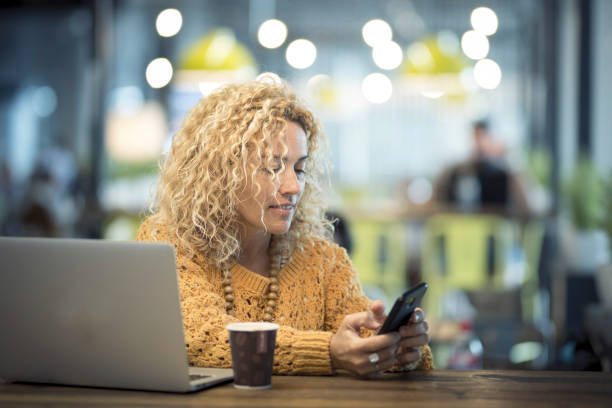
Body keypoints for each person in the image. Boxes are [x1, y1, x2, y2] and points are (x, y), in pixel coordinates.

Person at [137, 77, 433, 376]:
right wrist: (328, 352)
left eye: (300, 169)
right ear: (220, 171)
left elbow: (364, 342)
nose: (293, 186)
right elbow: (199, 338)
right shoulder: (167, 244)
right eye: (272, 167)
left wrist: (400, 348)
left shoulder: (324, 263)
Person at [435, 120, 530, 215]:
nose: (478, 144)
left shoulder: (504, 171)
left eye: (482, 137)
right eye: (475, 138)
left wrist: (509, 161)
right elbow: (437, 201)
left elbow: (526, 206)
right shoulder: (454, 171)